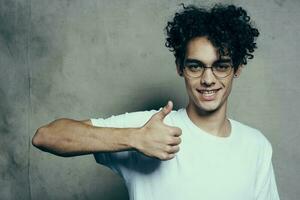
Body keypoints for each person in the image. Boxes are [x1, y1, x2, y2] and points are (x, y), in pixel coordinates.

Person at [32, 3, 280, 200]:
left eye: (220, 66)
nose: (207, 79)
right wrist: (135, 138)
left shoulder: (256, 146)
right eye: (195, 66)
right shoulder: (149, 128)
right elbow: (46, 136)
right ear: (180, 68)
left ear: (237, 69)